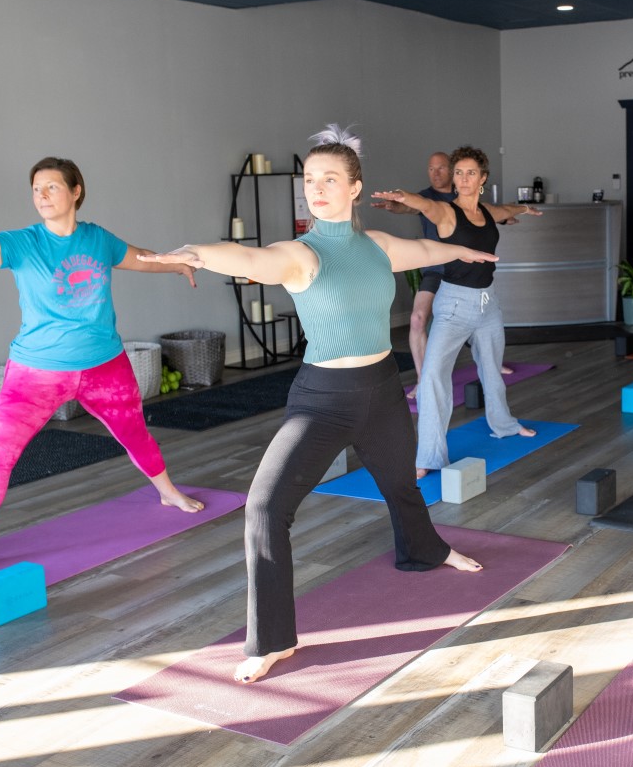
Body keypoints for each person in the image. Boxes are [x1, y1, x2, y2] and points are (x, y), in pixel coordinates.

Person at [139, 125, 489, 684]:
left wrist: (466, 250)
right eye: (309, 181)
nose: (316, 189)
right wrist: (198, 253)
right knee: (265, 508)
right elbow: (250, 258)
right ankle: (272, 640)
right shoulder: (300, 255)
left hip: (380, 388)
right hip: (322, 400)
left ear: (355, 187)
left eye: (329, 180)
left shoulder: (375, 246)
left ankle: (426, 549)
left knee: (400, 482)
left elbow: (423, 249)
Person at [0, 157, 205, 587]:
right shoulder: (23, 244)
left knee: (134, 432)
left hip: (104, 365)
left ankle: (168, 492)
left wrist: (177, 265)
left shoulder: (98, 239)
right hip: (35, 373)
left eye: (51, 187)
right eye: (36, 188)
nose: (41, 195)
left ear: (76, 191)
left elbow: (140, 259)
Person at [372, 146, 540, 479]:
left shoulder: (487, 211)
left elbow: (503, 210)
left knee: (492, 369)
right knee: (434, 377)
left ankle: (504, 425)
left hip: (488, 303)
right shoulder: (447, 212)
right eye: (458, 172)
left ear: (483, 178)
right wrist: (404, 197)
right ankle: (429, 456)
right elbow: (425, 205)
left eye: (470, 173)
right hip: (453, 306)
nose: (463, 179)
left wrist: (523, 207)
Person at [372, 152, 512, 398]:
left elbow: (491, 215)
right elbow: (414, 205)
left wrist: (514, 213)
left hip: (469, 274)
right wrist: (399, 203)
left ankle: (490, 364)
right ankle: (422, 379)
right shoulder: (429, 198)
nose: (435, 173)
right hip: (437, 270)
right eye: (430, 169)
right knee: (417, 319)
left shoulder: (469, 199)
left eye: (441, 168)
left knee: (478, 324)